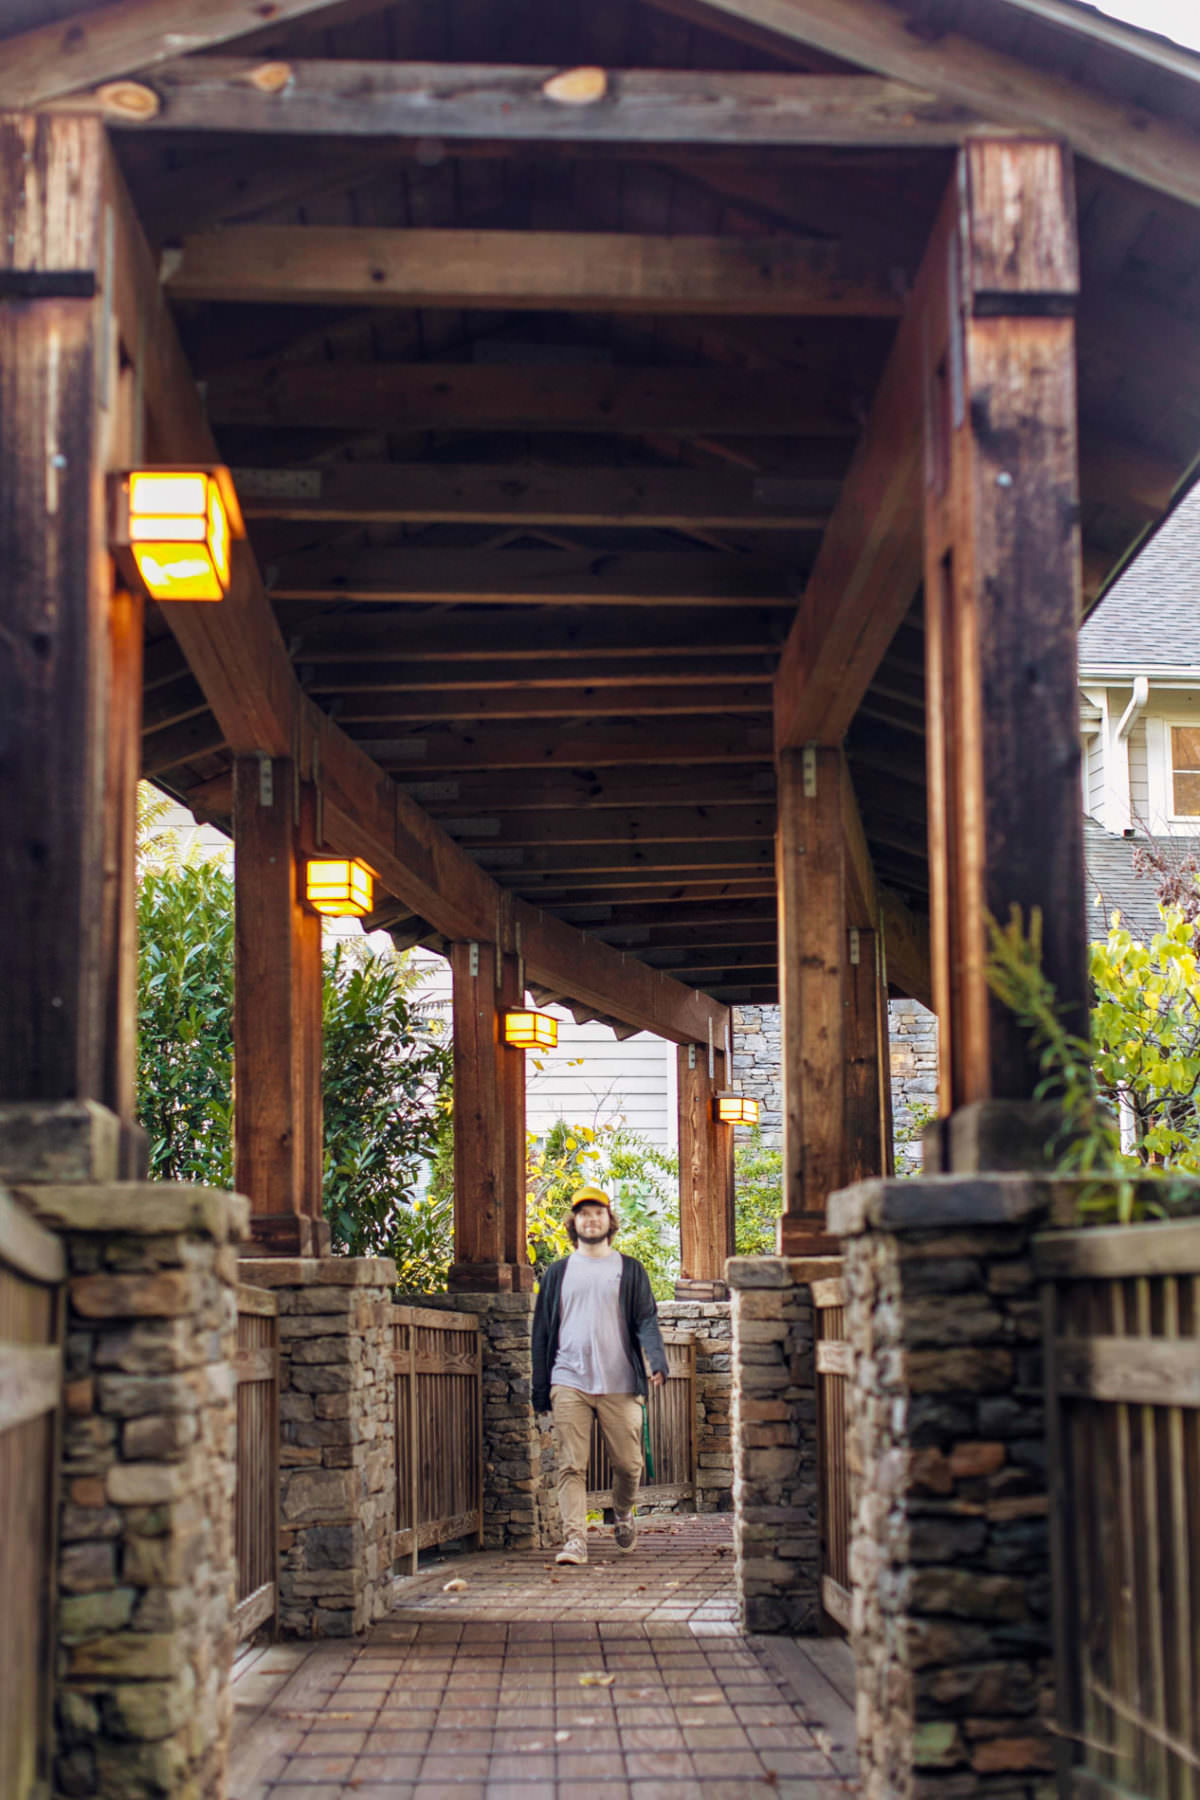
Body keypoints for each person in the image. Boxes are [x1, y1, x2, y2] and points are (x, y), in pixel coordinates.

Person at [532, 1184, 669, 1566]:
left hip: (620, 1385)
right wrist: (540, 1391)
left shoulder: (630, 1269)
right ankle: (575, 1540)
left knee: (629, 1465)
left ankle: (623, 1512)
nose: (591, 1219)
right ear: (573, 1222)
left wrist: (656, 1360)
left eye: (598, 1213)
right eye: (583, 1213)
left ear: (610, 1220)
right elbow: (542, 1334)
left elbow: (646, 1320)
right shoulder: (558, 1273)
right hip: (569, 1379)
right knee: (570, 1465)